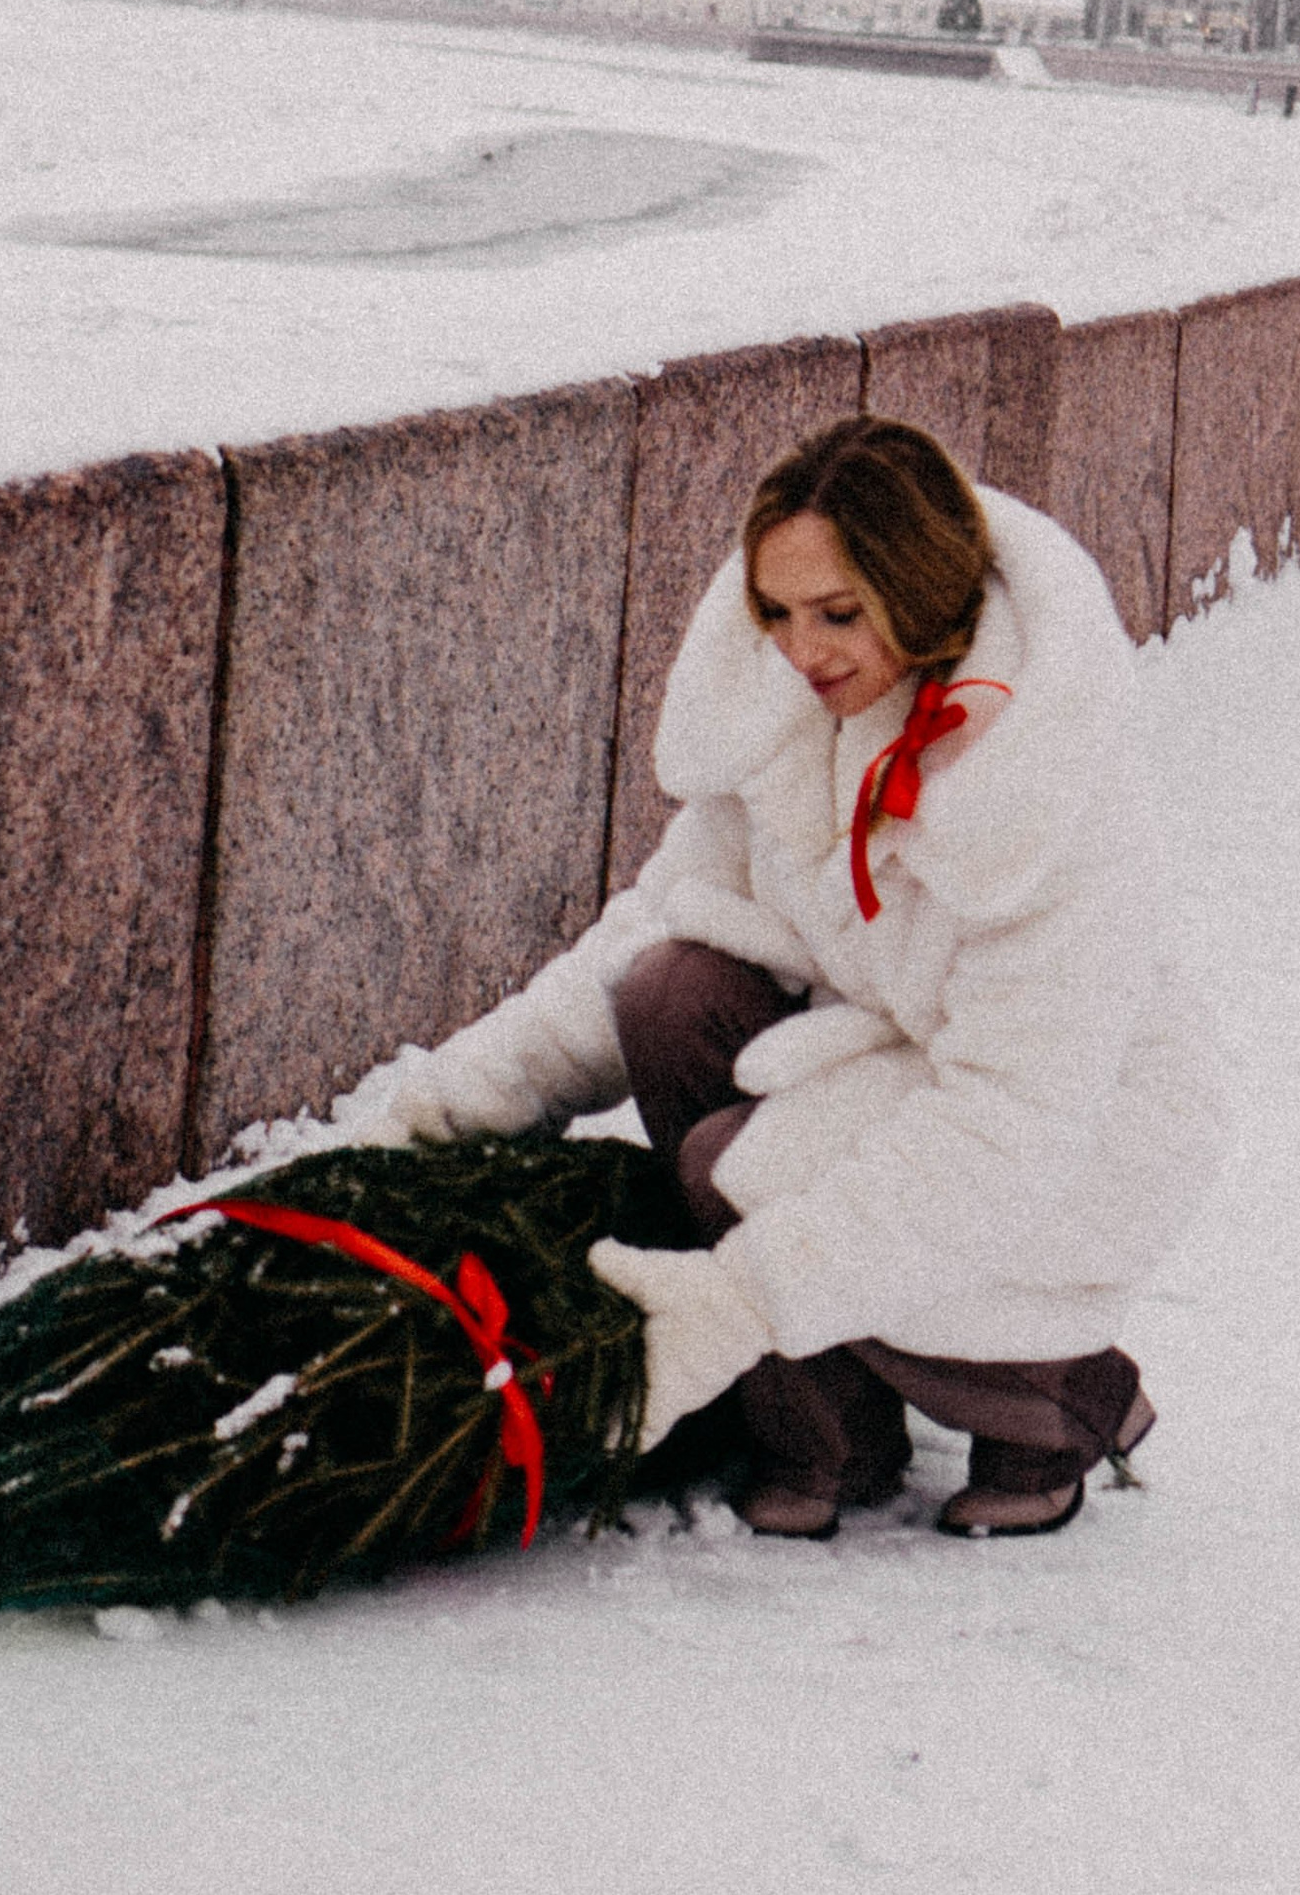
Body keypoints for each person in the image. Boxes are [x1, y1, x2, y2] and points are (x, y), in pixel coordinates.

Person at [338, 415, 1230, 1540]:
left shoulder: (1054, 799)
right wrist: (450, 1107)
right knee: (668, 994)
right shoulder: (795, 716)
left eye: (837, 615)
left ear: (915, 589)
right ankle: (830, 1436)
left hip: (1081, 1129)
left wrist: (739, 1299)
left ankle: (1056, 1398)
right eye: (776, 614)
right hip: (892, 1055)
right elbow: (649, 928)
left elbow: (1007, 1123)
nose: (800, 650)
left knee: (739, 1166)